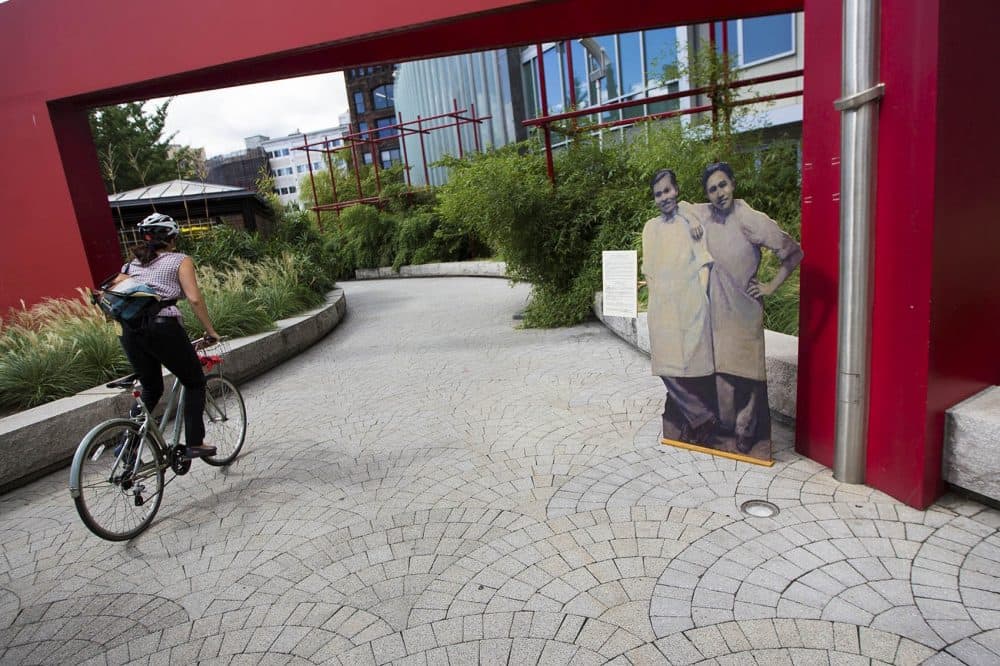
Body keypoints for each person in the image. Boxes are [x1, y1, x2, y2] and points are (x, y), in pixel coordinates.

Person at [695, 162, 803, 455]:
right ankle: (735, 421)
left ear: (733, 183)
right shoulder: (704, 214)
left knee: (751, 379)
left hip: (745, 314)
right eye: (712, 189)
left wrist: (769, 286)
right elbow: (675, 207)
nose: (719, 193)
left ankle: (750, 418)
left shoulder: (751, 218)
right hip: (716, 316)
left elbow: (793, 253)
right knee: (725, 411)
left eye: (723, 185)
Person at [114, 213, 220, 458]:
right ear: (171, 237)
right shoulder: (179, 260)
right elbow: (194, 298)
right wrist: (211, 331)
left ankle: (127, 447)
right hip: (162, 326)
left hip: (130, 331)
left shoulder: (130, 266)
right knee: (194, 381)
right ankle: (195, 442)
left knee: (151, 388)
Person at [642, 169, 719, 444]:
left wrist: (702, 296)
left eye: (667, 190)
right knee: (664, 364)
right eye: (658, 194)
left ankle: (695, 425)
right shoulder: (650, 227)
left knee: (691, 364)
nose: (664, 197)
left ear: (676, 190)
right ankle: (701, 416)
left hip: (690, 302)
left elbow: (704, 262)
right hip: (662, 305)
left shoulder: (691, 224)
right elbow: (648, 269)